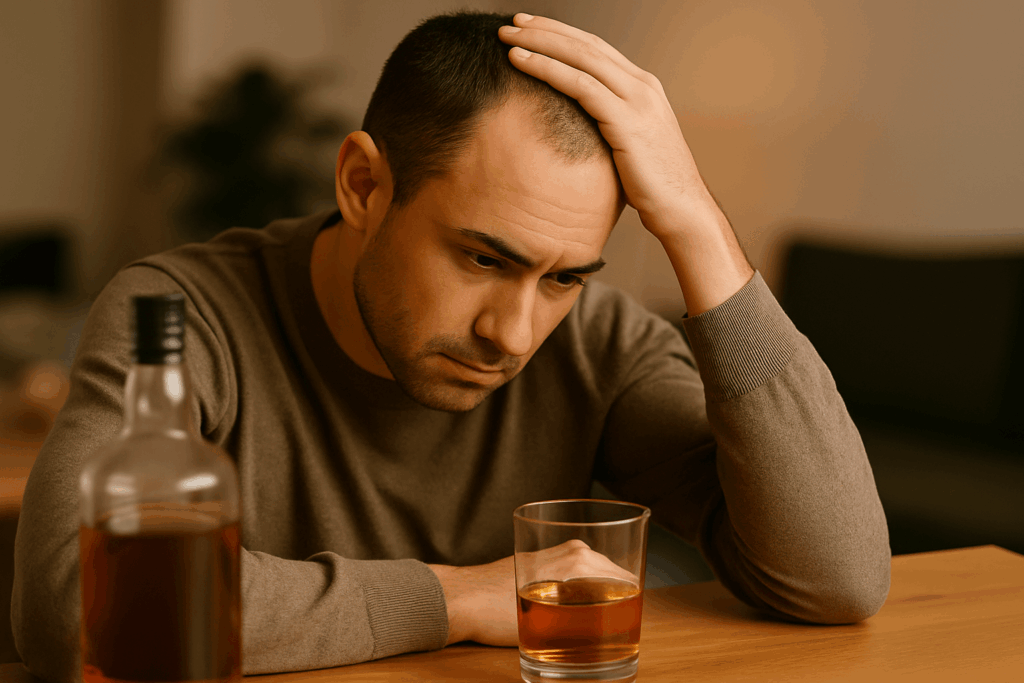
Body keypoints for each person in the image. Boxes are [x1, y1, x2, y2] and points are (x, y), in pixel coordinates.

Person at [12, 11, 890, 680]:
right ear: (363, 185)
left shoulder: (597, 343)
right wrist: (460, 595)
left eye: (563, 276)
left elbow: (837, 578)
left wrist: (699, 226)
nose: (513, 334)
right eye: (482, 256)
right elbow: (72, 603)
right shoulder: (177, 313)